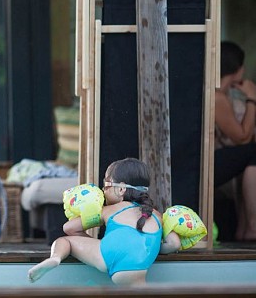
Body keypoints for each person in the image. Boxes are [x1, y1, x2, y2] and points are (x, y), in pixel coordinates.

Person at [28, 158, 181, 286]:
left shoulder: (109, 210)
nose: (103, 190)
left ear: (121, 189)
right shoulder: (157, 215)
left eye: (106, 184)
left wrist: (99, 245)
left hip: (108, 255)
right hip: (141, 264)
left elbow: (69, 228)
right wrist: (151, 247)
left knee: (64, 241)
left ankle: (55, 258)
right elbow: (174, 244)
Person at [214, 40, 256, 241]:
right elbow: (242, 138)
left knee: (247, 161)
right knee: (253, 152)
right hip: (209, 164)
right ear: (238, 69)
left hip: (216, 160)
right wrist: (252, 98)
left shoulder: (221, 95)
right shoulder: (217, 96)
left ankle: (243, 228)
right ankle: (252, 227)